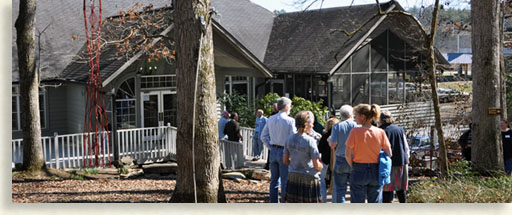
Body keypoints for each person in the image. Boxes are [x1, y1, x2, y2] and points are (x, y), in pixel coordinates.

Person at [345, 104, 392, 203]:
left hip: (359, 169)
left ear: (363, 116)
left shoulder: (354, 132)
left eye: (356, 115)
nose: (355, 118)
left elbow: (347, 154)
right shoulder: (380, 132)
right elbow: (389, 153)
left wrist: (353, 165)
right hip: (376, 169)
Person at [261, 97, 296, 203]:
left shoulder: (270, 118)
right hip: (284, 151)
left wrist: (270, 147)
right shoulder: (290, 120)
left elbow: (263, 136)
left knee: (274, 181)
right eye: (289, 106)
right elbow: (293, 138)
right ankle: (284, 204)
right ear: (286, 107)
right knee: (285, 180)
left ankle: (273, 203)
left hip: (273, 150)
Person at [283, 111, 323, 203]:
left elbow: (285, 161)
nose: (312, 126)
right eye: (312, 124)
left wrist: (295, 163)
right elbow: (316, 165)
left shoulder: (289, 139)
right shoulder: (310, 141)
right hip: (309, 178)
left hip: (293, 176)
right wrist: (322, 167)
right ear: (306, 124)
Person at [379, 110, 409, 203]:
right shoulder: (399, 129)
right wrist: (407, 159)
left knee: (386, 189)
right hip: (401, 161)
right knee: (400, 189)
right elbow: (405, 146)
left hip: (386, 163)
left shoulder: (380, 131)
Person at [329, 105, 357, 203]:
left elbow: (333, 145)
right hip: (354, 159)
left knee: (340, 190)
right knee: (355, 189)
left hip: (340, 158)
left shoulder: (337, 126)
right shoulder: (357, 126)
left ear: (340, 115)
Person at [318, 117, 339, 203]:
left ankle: (323, 200)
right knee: (335, 182)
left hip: (325, 161)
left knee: (322, 182)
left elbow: (319, 149)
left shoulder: (325, 136)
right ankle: (334, 201)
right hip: (336, 161)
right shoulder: (338, 135)